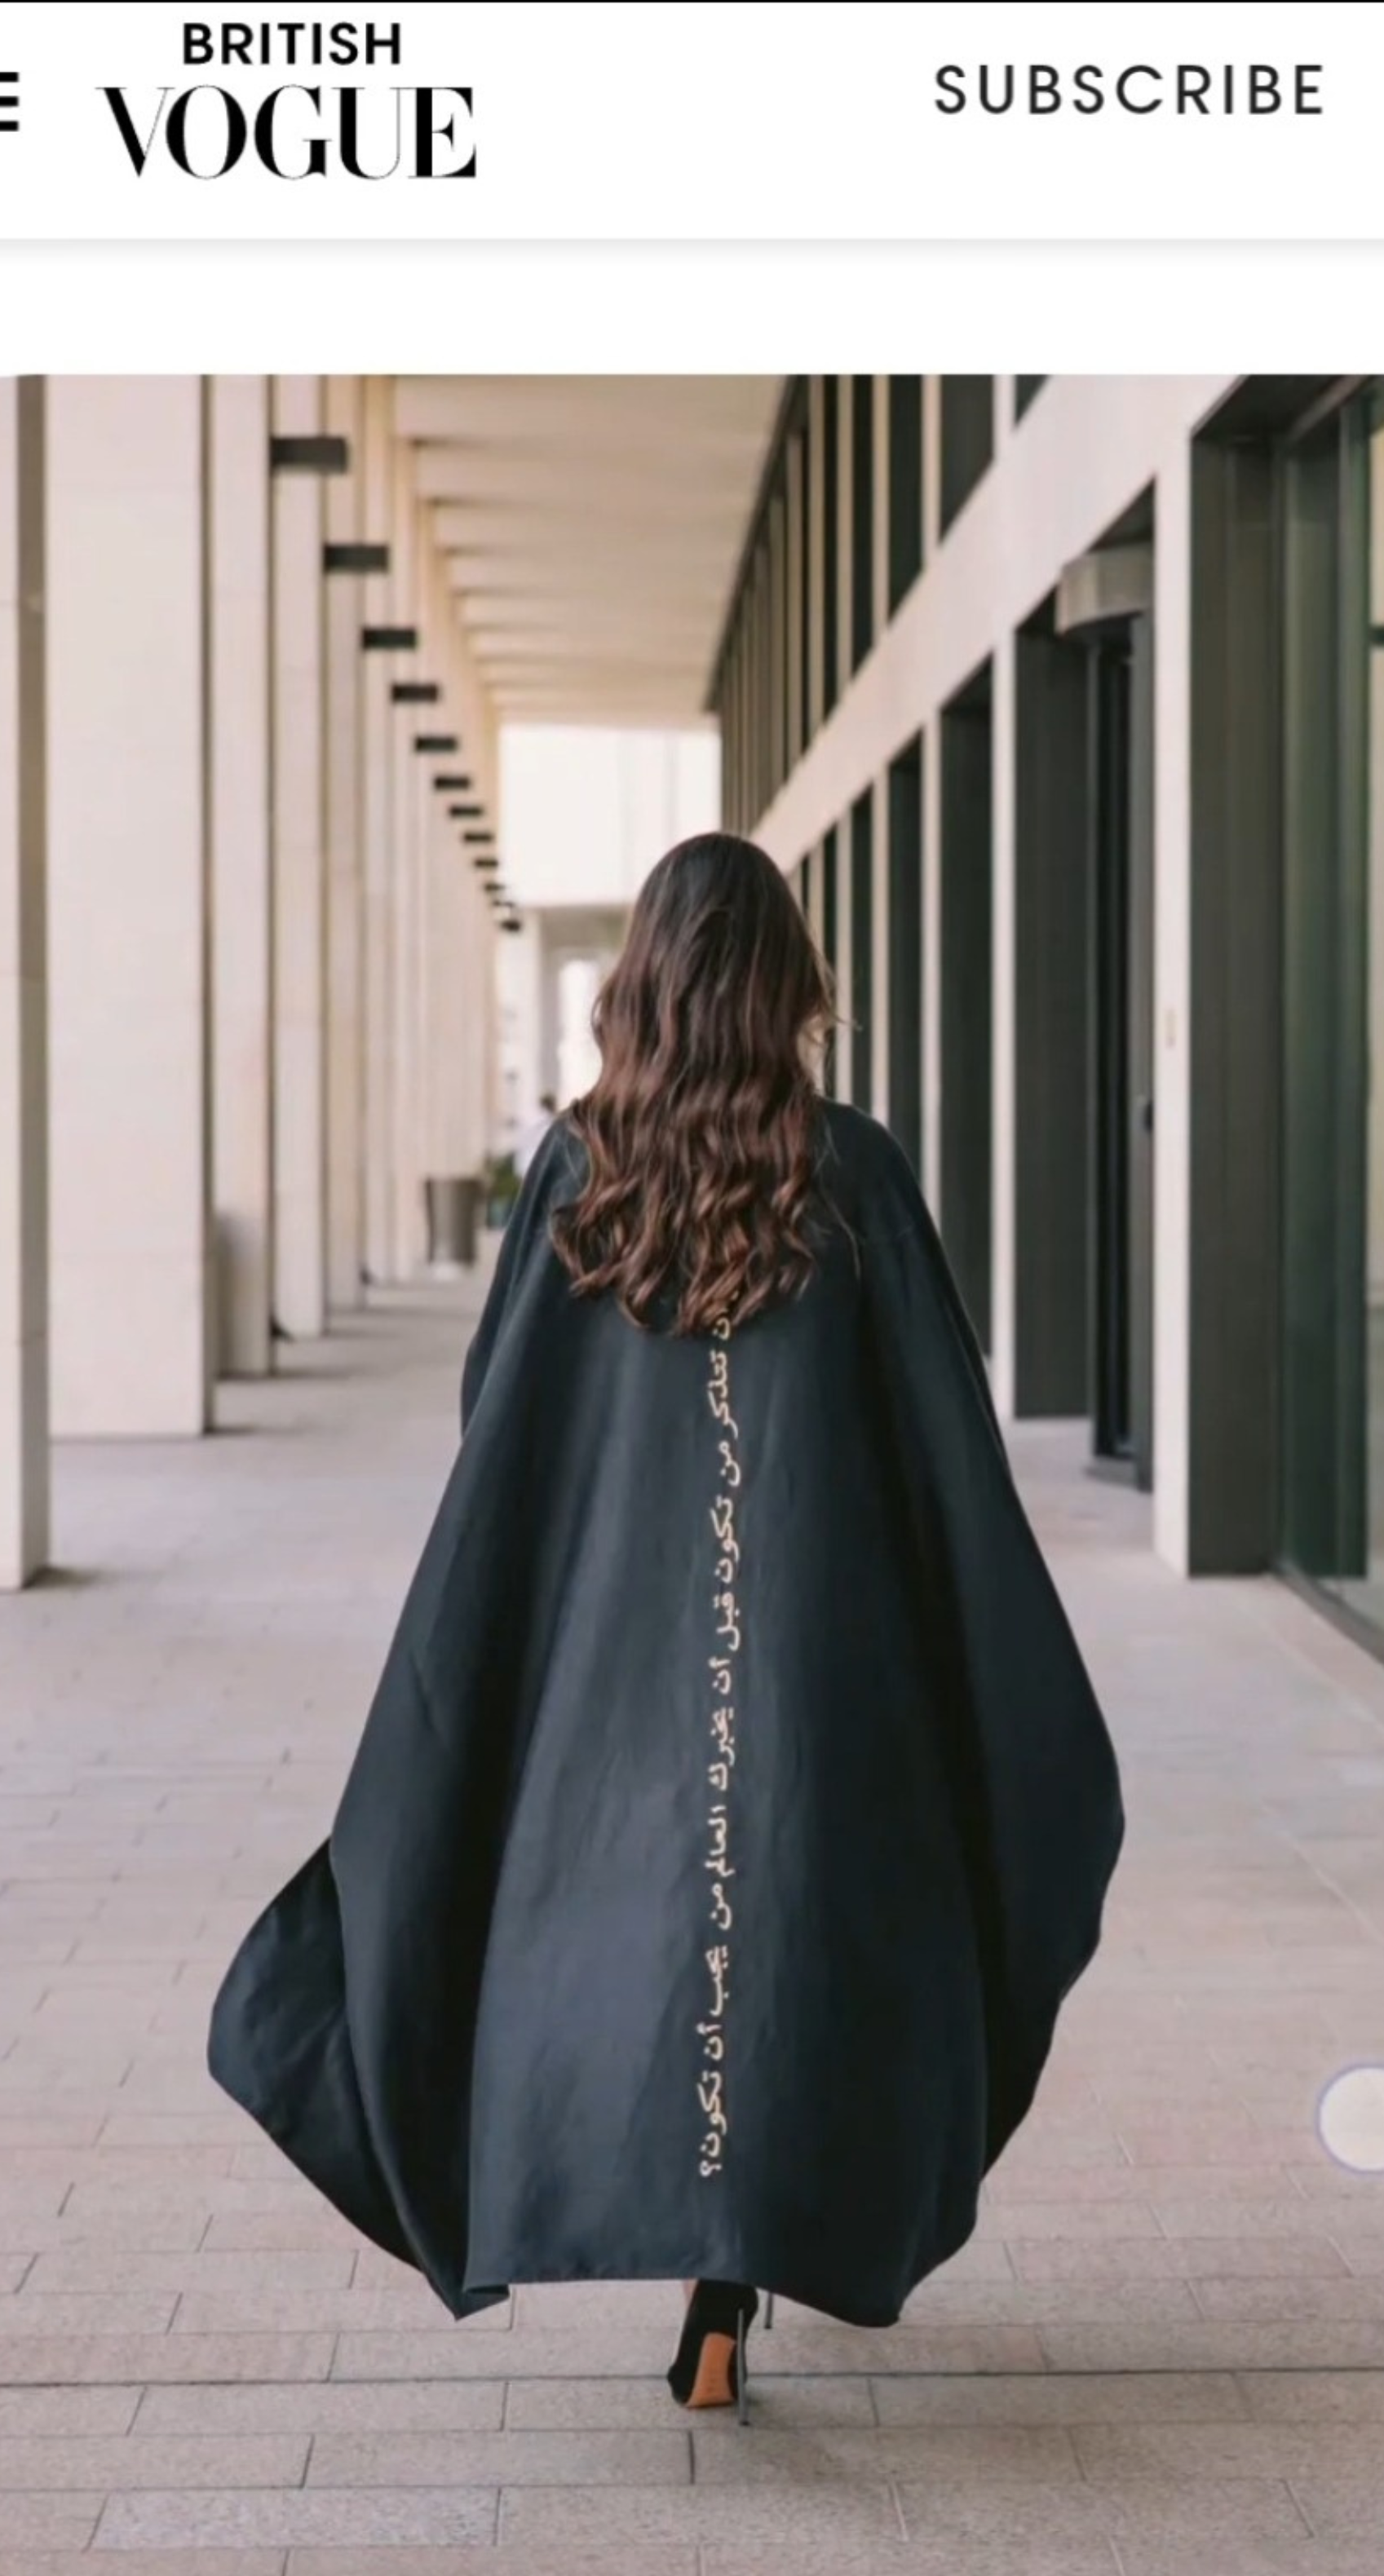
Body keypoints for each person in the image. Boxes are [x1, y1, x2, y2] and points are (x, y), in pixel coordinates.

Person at [208, 833, 1125, 2424]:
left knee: (633, 1923)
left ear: (639, 983)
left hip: (613, 1656)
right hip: (822, 1657)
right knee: (785, 1932)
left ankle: (684, 2246)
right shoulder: (853, 1167)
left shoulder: (580, 1167)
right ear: (788, 986)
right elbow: (937, 1436)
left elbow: (499, 1410)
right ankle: (727, 2271)